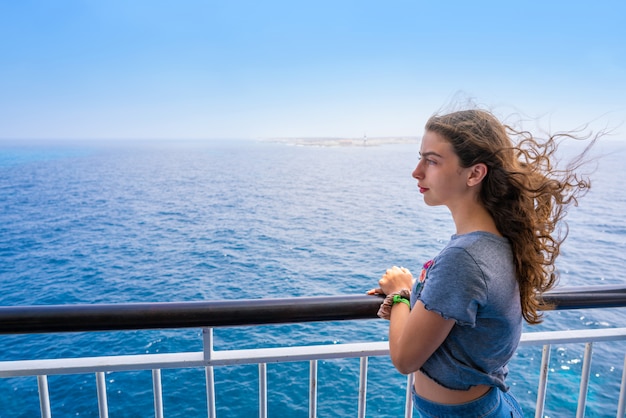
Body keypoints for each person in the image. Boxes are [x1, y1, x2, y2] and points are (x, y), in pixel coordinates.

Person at [368, 108, 595, 417]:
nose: (417, 171)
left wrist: (399, 295)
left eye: (432, 161)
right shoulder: (499, 241)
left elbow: (405, 359)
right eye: (420, 157)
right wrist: (410, 307)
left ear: (474, 174)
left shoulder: (464, 258)